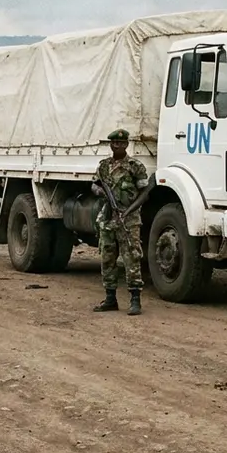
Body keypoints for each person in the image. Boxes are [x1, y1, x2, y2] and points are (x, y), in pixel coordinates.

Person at [92, 129, 152, 316]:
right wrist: (99, 192)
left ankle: (135, 300)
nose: (117, 146)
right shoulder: (104, 166)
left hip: (128, 220)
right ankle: (110, 298)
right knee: (107, 259)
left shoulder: (135, 166)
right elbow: (94, 184)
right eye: (114, 143)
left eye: (121, 143)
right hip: (108, 219)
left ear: (127, 144)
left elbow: (145, 193)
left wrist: (128, 211)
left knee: (131, 258)